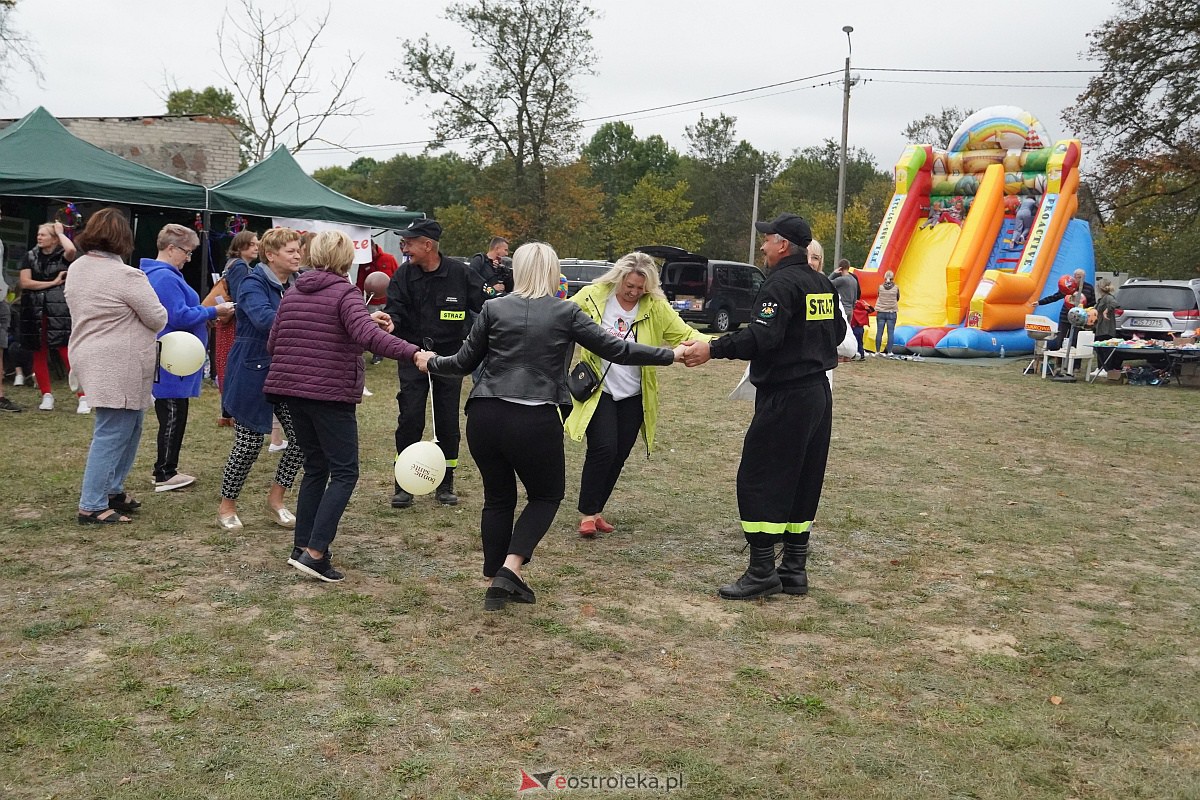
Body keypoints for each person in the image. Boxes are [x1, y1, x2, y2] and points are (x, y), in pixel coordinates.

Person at [415, 242, 680, 611]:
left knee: (498, 497)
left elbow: (461, 363)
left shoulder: (493, 308)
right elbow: (617, 349)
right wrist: (671, 354)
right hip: (533, 418)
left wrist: (430, 361)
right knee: (546, 496)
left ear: (518, 270)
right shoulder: (566, 312)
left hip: (485, 415)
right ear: (554, 272)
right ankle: (510, 568)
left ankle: (495, 580)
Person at [679, 212, 845, 601]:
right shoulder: (821, 282)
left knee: (760, 477)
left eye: (767, 239)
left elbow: (762, 337)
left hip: (786, 395)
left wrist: (712, 348)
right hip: (818, 394)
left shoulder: (780, 283)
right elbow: (837, 332)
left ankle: (761, 571)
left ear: (783, 244)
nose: (762, 244)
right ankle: (794, 570)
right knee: (803, 478)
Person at [264, 231, 422, 583]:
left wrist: (364, 320)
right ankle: (316, 552)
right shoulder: (345, 291)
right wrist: (412, 351)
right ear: (345, 259)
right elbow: (369, 339)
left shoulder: (293, 292)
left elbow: (274, 341)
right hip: (329, 394)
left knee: (316, 466)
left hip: (291, 393)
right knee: (345, 471)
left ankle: (302, 545)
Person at [565, 251, 710, 537]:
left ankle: (597, 511)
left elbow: (684, 332)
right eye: (628, 286)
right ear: (618, 279)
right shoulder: (592, 296)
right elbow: (561, 318)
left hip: (635, 393)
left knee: (619, 453)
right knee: (603, 449)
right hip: (600, 390)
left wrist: (714, 346)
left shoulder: (655, 306)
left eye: (640, 289)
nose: (633, 293)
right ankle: (586, 514)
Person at [63, 208, 168, 524]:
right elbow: (157, 317)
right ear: (124, 239)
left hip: (89, 353)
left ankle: (111, 490)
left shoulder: (79, 267)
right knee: (112, 431)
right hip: (118, 362)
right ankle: (92, 505)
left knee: (129, 425)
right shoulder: (126, 276)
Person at [383, 218, 484, 508]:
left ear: (428, 245)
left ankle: (445, 481)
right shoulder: (403, 275)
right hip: (412, 356)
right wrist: (391, 324)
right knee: (411, 416)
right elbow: (395, 311)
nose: (404, 247)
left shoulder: (461, 274)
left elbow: (487, 309)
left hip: (449, 359)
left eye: (409, 242)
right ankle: (403, 483)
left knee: (447, 420)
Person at [217, 227, 305, 532]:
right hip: (251, 369)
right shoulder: (252, 283)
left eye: (299, 250)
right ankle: (227, 506)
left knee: (302, 439)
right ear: (271, 255)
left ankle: (276, 500)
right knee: (249, 442)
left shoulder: (298, 283)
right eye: (291, 251)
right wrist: (306, 319)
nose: (298, 255)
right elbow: (265, 320)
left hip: (285, 370)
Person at [143, 224, 236, 492]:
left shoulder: (161, 275)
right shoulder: (165, 277)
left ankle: (165, 468)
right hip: (173, 357)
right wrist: (212, 311)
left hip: (174, 354)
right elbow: (178, 316)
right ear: (171, 248)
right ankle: (165, 472)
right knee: (173, 413)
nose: (188, 257)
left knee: (173, 412)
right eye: (187, 251)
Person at [18, 221, 84, 413]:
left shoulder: (63, 256)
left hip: (58, 310)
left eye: (44, 234)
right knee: (38, 351)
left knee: (65, 351)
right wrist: (53, 282)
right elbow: (25, 283)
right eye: (38, 234)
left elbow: (71, 249)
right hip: (34, 309)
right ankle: (46, 395)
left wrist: (61, 232)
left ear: (54, 239)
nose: (39, 237)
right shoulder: (30, 256)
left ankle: (83, 396)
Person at [213, 229, 259, 427]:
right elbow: (242, 297)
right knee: (232, 365)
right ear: (241, 246)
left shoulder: (233, 264)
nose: (257, 247)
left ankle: (227, 411)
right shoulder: (240, 266)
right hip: (233, 322)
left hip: (228, 320)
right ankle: (229, 412)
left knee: (227, 363)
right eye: (253, 244)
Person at [356, 241, 400, 371]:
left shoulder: (389, 258)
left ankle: (383, 350)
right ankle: (376, 352)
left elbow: (397, 277)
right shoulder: (364, 263)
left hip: (388, 300)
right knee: (373, 326)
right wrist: (359, 301)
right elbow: (360, 282)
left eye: (370, 251)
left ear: (374, 247)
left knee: (387, 325)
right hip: (373, 302)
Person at [1037, 268, 1095, 350]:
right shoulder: (1069, 286)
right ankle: (1059, 361)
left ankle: (1075, 362)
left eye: (1082, 277)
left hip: (1079, 319)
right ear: (1074, 277)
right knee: (1060, 340)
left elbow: (1092, 303)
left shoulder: (1089, 288)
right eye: (1078, 277)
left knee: (1075, 341)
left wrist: (1085, 309)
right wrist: (1040, 302)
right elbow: (1055, 296)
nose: (1080, 279)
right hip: (1065, 317)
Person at [874, 271, 900, 356]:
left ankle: (877, 351)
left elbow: (878, 295)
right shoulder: (896, 288)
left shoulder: (880, 287)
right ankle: (889, 352)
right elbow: (897, 298)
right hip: (891, 312)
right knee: (890, 332)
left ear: (885, 278)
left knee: (879, 332)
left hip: (881, 312)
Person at [851, 296, 873, 361]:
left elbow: (852, 321)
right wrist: (867, 305)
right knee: (860, 342)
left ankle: (855, 354)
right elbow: (872, 310)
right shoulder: (864, 312)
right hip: (861, 328)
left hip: (855, 328)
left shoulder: (854, 312)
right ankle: (862, 354)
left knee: (855, 342)